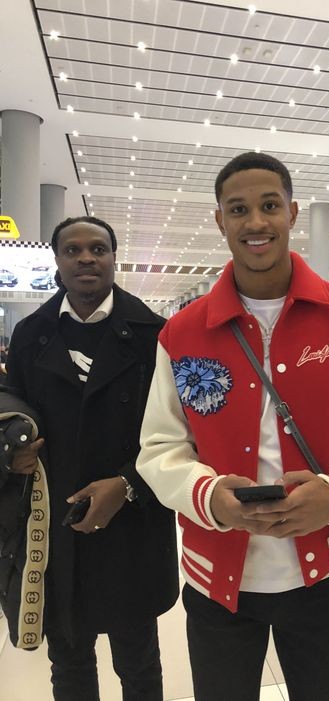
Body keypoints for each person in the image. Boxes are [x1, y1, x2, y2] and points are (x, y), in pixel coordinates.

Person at [137, 151, 329, 701]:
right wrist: (208, 497)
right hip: (216, 577)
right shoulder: (182, 333)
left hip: (322, 574)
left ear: (291, 213)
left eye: (269, 206)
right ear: (220, 220)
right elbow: (159, 445)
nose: (255, 222)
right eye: (238, 209)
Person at [4, 216, 178, 701]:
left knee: (138, 660)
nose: (86, 258)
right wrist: (13, 452)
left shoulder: (154, 333)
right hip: (58, 520)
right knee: (69, 659)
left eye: (98, 249)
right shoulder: (31, 334)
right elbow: (11, 405)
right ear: (57, 260)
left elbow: (179, 430)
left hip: (133, 519)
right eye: (73, 250)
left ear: (113, 257)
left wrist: (128, 484)